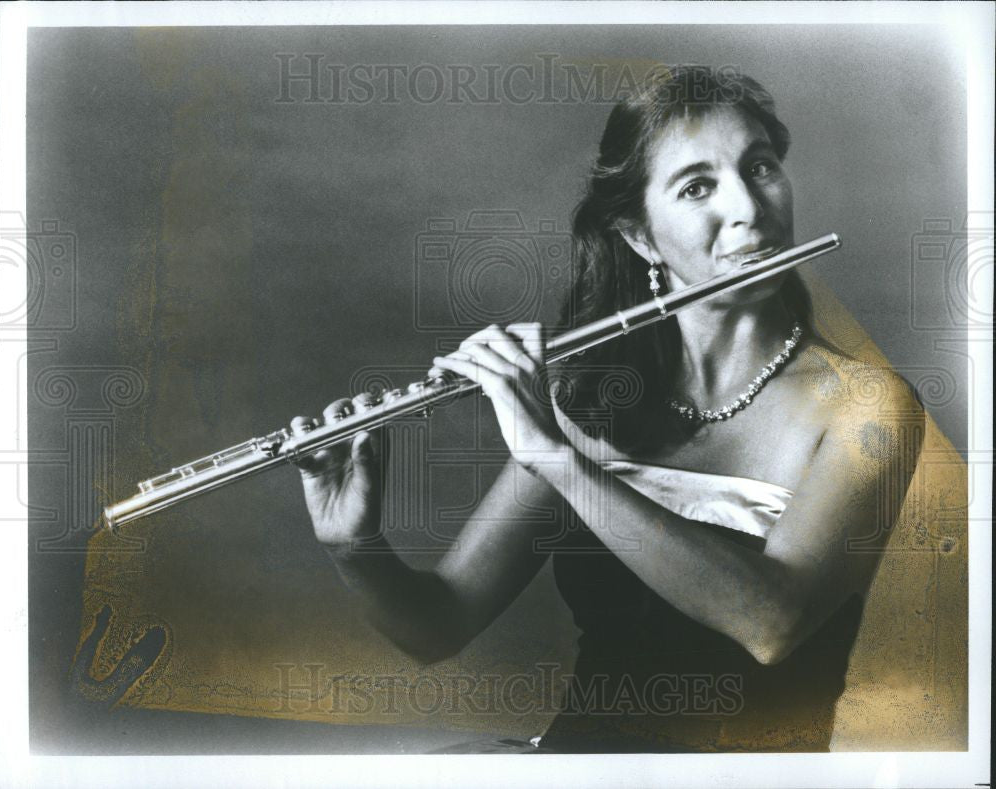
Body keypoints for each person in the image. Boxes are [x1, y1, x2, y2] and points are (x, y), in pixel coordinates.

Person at [290, 66, 924, 753]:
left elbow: (771, 621)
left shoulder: (869, 406)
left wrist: (559, 461)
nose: (748, 205)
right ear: (641, 236)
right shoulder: (590, 399)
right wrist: (353, 545)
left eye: (760, 165)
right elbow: (438, 624)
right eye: (697, 186)